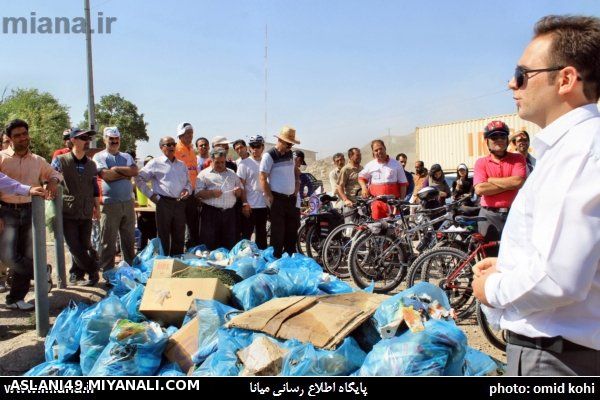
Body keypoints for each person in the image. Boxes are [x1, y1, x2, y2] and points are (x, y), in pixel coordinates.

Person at [473, 15, 600, 376]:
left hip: (555, 358)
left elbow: (560, 278)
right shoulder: (566, 149)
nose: (511, 83)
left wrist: (492, 289)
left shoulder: (579, 153)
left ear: (566, 79)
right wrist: (509, 266)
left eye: (522, 73)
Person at [0, 119, 59, 310]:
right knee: (8, 256)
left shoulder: (38, 161)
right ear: (9, 139)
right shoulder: (1, 158)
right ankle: (41, 272)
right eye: (17, 135)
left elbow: (56, 174)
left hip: (31, 210)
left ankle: (16, 298)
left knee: (27, 253)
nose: (22, 138)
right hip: (7, 211)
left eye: (24, 134)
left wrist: (53, 181)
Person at [52, 127, 101, 286]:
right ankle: (94, 268)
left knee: (84, 245)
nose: (87, 141)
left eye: (88, 138)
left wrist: (97, 208)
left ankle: (77, 275)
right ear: (73, 140)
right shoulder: (61, 160)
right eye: (83, 138)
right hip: (68, 211)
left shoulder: (92, 164)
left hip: (86, 211)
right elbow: (52, 178)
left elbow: (94, 188)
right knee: (74, 247)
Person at [473, 121, 526, 252]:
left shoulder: (518, 158)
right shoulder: (481, 163)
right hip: (488, 216)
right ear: (487, 141)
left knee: (516, 257)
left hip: (514, 214)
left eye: (502, 136)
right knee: (489, 259)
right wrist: (509, 185)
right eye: (494, 137)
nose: (499, 140)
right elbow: (480, 189)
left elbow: (518, 182)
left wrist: (490, 180)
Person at [135, 137, 191, 256]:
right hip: (164, 203)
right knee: (163, 236)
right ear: (161, 148)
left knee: (179, 235)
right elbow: (139, 178)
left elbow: (188, 182)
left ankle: (177, 262)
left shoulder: (181, 165)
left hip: (180, 203)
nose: (171, 147)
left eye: (173, 144)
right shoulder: (155, 163)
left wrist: (187, 190)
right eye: (168, 144)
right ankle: (163, 263)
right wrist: (151, 195)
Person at [93, 127, 138, 273]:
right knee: (108, 241)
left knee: (129, 239)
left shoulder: (126, 156)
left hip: (127, 203)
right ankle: (108, 272)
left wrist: (116, 168)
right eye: (110, 139)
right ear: (105, 139)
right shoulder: (99, 157)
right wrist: (125, 173)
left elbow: (134, 171)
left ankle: (129, 270)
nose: (114, 141)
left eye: (116, 139)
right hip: (109, 204)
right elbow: (106, 176)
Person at [260, 126, 301, 258]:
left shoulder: (290, 154)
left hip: (291, 199)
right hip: (277, 199)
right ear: (280, 140)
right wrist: (270, 196)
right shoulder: (269, 155)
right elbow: (262, 177)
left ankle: (289, 260)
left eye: (291, 144)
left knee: (291, 232)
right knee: (278, 234)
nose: (290, 147)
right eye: (288, 144)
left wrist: (296, 186)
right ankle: (275, 261)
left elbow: (295, 171)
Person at [196, 148, 243, 250]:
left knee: (229, 243)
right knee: (209, 243)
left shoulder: (232, 173)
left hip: (229, 214)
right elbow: (197, 193)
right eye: (217, 162)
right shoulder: (204, 174)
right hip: (211, 214)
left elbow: (240, 191)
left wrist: (238, 191)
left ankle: (226, 265)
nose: (220, 165)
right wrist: (211, 193)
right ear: (211, 160)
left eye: (222, 162)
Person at [358, 140, 408, 220]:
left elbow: (403, 184)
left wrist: (401, 202)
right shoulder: (370, 165)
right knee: (377, 229)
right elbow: (361, 177)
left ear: (385, 148)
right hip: (377, 205)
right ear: (373, 152)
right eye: (376, 150)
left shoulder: (396, 164)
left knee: (395, 230)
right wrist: (364, 188)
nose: (379, 151)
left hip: (393, 204)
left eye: (380, 148)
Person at [237, 135, 268, 249]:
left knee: (262, 235)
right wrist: (244, 203)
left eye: (258, 146)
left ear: (262, 147)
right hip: (250, 205)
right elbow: (241, 185)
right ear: (249, 147)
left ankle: (262, 260)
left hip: (264, 205)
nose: (255, 149)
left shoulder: (267, 162)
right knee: (246, 235)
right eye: (253, 146)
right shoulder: (244, 164)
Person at [174, 122, 200, 249]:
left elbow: (194, 170)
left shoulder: (191, 150)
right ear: (180, 134)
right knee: (179, 223)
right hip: (181, 193)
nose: (190, 136)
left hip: (192, 192)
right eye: (187, 133)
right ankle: (180, 249)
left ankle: (192, 248)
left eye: (191, 133)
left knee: (193, 222)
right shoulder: (175, 150)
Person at [136, 156, 157, 250]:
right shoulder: (140, 177)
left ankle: (155, 249)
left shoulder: (158, 176)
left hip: (157, 211)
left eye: (151, 162)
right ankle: (142, 249)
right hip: (145, 211)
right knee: (143, 230)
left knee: (155, 233)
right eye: (147, 162)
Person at [336, 147, 362, 222]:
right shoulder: (346, 169)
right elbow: (339, 187)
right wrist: (346, 200)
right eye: (357, 155)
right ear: (350, 156)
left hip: (361, 204)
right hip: (350, 205)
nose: (360, 157)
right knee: (349, 230)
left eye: (360, 155)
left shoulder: (362, 168)